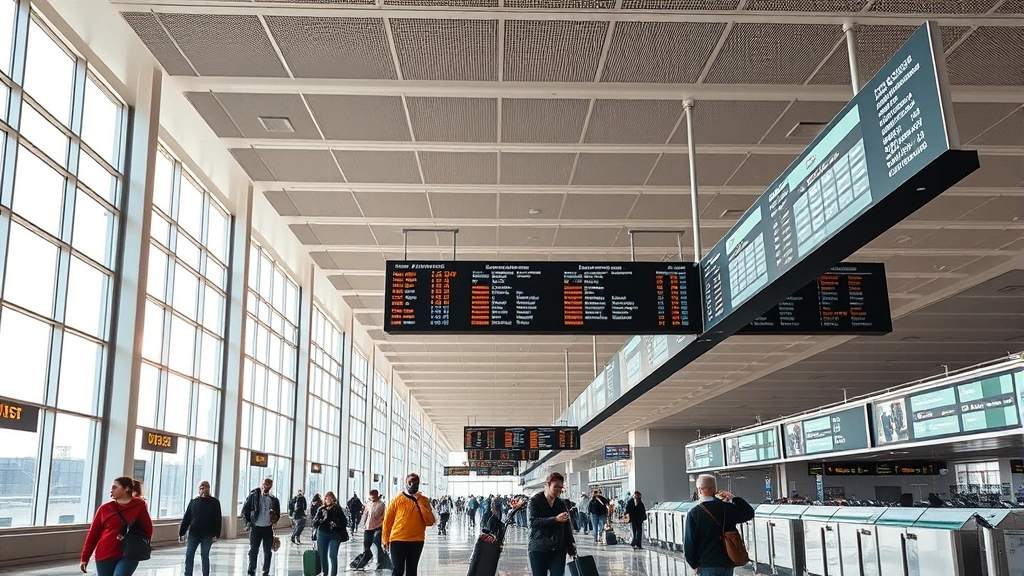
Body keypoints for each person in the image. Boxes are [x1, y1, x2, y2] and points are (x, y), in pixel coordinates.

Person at [80, 476, 154, 576]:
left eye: (115, 487)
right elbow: (93, 534)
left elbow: (147, 529)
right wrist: (85, 558)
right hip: (105, 553)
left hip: (129, 553)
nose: (111, 490)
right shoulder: (104, 509)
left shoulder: (139, 506)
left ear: (126, 489)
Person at [683, 474, 755, 576]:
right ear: (714, 488)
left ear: (699, 490)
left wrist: (694, 564)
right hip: (728, 562)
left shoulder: (694, 513)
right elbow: (749, 513)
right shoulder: (727, 508)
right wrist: (733, 497)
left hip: (707, 563)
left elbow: (689, 542)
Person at [382, 473, 436, 576]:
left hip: (416, 540)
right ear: (405, 483)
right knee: (398, 569)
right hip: (397, 540)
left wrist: (420, 503)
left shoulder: (424, 500)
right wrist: (385, 539)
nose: (412, 485)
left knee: (412, 570)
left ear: (419, 483)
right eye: (410, 482)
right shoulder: (397, 501)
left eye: (415, 482)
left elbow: (430, 521)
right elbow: (387, 522)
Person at [527, 472, 576, 576]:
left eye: (560, 487)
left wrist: (570, 545)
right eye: (555, 487)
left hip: (558, 549)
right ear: (548, 485)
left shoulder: (560, 503)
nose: (558, 490)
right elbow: (533, 522)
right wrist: (555, 519)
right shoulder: (534, 501)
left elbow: (566, 526)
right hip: (538, 548)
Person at [178, 480, 222, 576]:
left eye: (206, 487)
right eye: (201, 488)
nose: (204, 489)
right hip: (194, 533)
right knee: (189, 554)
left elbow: (217, 519)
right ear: (198, 490)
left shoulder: (214, 502)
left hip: (207, 534)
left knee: (204, 555)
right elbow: (187, 518)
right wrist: (182, 532)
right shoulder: (194, 502)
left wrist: (216, 534)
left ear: (209, 488)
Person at [241, 477, 281, 576]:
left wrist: (274, 517)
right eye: (263, 484)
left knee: (268, 551)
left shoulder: (273, 499)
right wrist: (248, 523)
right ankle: (251, 570)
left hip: (268, 528)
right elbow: (245, 510)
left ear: (271, 486)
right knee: (253, 550)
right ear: (261, 484)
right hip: (256, 527)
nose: (265, 487)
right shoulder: (254, 496)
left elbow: (278, 514)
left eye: (267, 485)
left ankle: (265, 571)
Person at [313, 492, 349, 576]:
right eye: (326, 498)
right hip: (322, 533)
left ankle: (333, 574)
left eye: (329, 498)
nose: (327, 499)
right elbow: (314, 523)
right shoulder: (321, 509)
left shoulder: (337, 509)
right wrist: (321, 519)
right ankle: (324, 573)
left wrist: (336, 524)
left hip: (335, 534)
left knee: (332, 555)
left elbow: (344, 522)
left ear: (333, 499)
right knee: (322, 555)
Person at [360, 490, 390, 569]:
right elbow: (365, 514)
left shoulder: (382, 505)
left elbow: (384, 516)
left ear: (377, 496)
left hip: (378, 527)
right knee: (366, 543)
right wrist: (362, 524)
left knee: (377, 543)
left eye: (373, 496)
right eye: (371, 496)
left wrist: (385, 526)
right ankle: (367, 556)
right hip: (368, 527)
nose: (372, 498)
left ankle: (381, 561)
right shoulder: (368, 504)